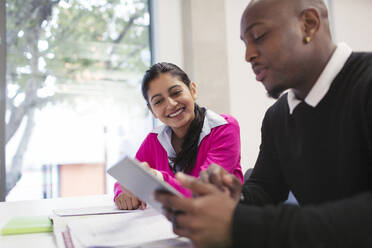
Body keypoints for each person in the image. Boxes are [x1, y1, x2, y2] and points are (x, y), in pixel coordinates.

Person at [155, 0, 372, 247]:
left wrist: (240, 224)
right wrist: (233, 196)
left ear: (308, 24)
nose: (248, 55)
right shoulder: (278, 117)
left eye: (258, 36)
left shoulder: (365, 84)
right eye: (245, 43)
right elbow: (266, 189)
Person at [114, 62, 244, 210]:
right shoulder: (154, 139)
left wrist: (156, 178)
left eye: (176, 92)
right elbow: (128, 177)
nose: (170, 104)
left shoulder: (223, 127)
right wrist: (123, 193)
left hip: (223, 222)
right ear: (152, 112)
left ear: (192, 90)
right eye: (158, 101)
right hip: (172, 226)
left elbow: (205, 192)